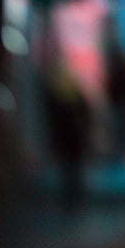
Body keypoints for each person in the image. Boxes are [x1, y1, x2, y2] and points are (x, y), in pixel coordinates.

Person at [43, 54, 92, 213]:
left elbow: (52, 120)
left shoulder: (55, 96)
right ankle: (74, 198)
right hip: (74, 138)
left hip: (67, 138)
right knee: (74, 169)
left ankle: (70, 199)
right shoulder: (75, 95)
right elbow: (86, 115)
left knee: (68, 169)